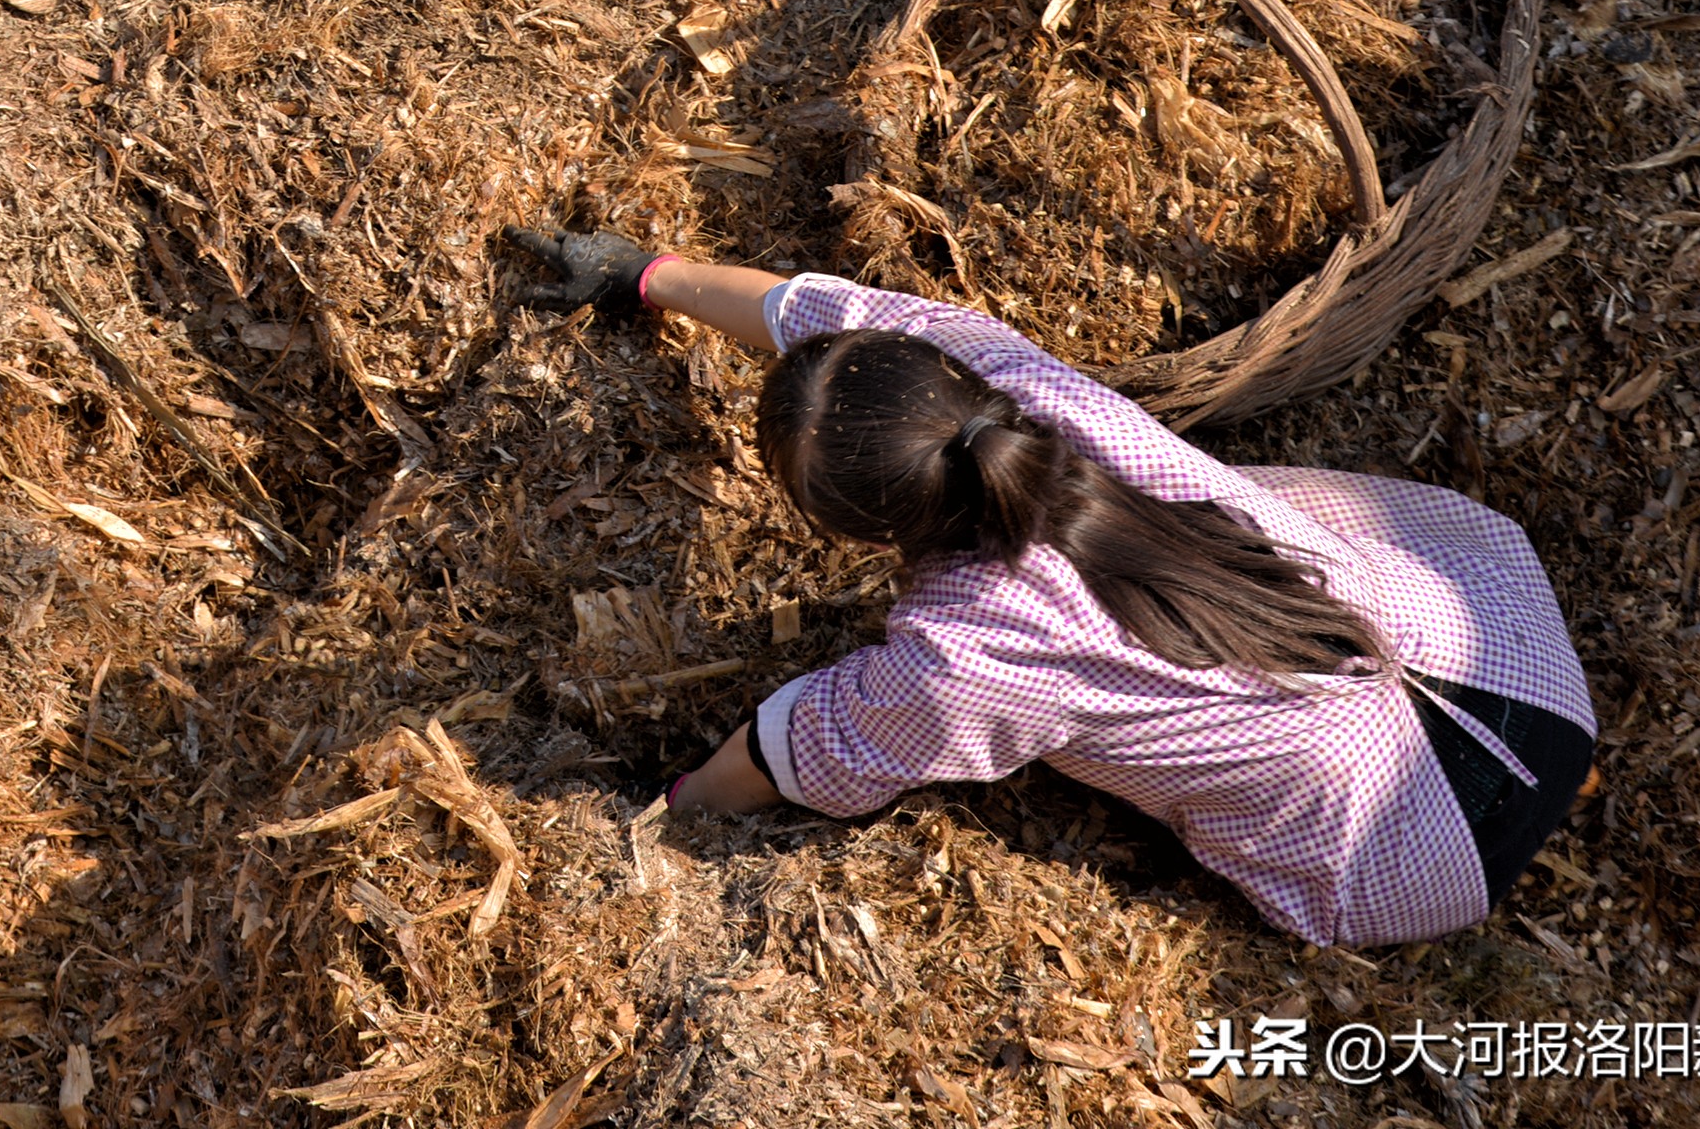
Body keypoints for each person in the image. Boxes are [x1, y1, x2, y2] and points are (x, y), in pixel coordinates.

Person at [501, 227, 1596, 947]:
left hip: (1418, 857)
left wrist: (670, 808)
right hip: (1504, 649)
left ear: (870, 530)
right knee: (1232, 511)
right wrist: (648, 274)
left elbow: (802, 745)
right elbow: (813, 311)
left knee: (1070, 710)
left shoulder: (961, 654)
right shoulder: (1004, 378)